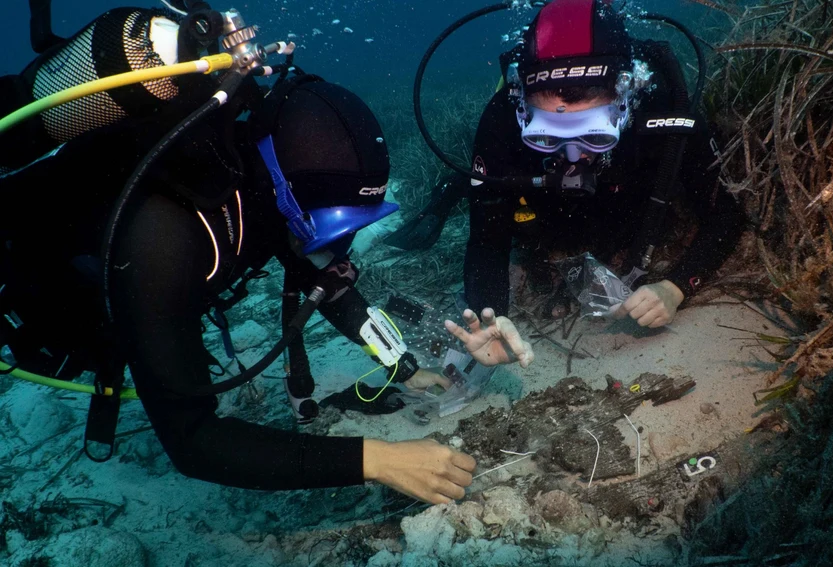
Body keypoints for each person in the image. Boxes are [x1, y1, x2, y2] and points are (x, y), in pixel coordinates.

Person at [0, 4, 533, 506]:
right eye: (323, 228)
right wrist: (377, 458)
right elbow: (193, 440)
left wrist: (403, 365)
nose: (333, 249)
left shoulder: (260, 178)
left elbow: (322, 277)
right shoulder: (162, 233)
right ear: (281, 187)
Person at [463, 0, 746, 326]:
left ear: (626, 102)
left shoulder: (661, 105)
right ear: (523, 111)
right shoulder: (502, 118)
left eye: (594, 136)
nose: (573, 157)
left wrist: (676, 286)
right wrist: (489, 318)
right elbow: (487, 238)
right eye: (546, 138)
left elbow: (726, 212)